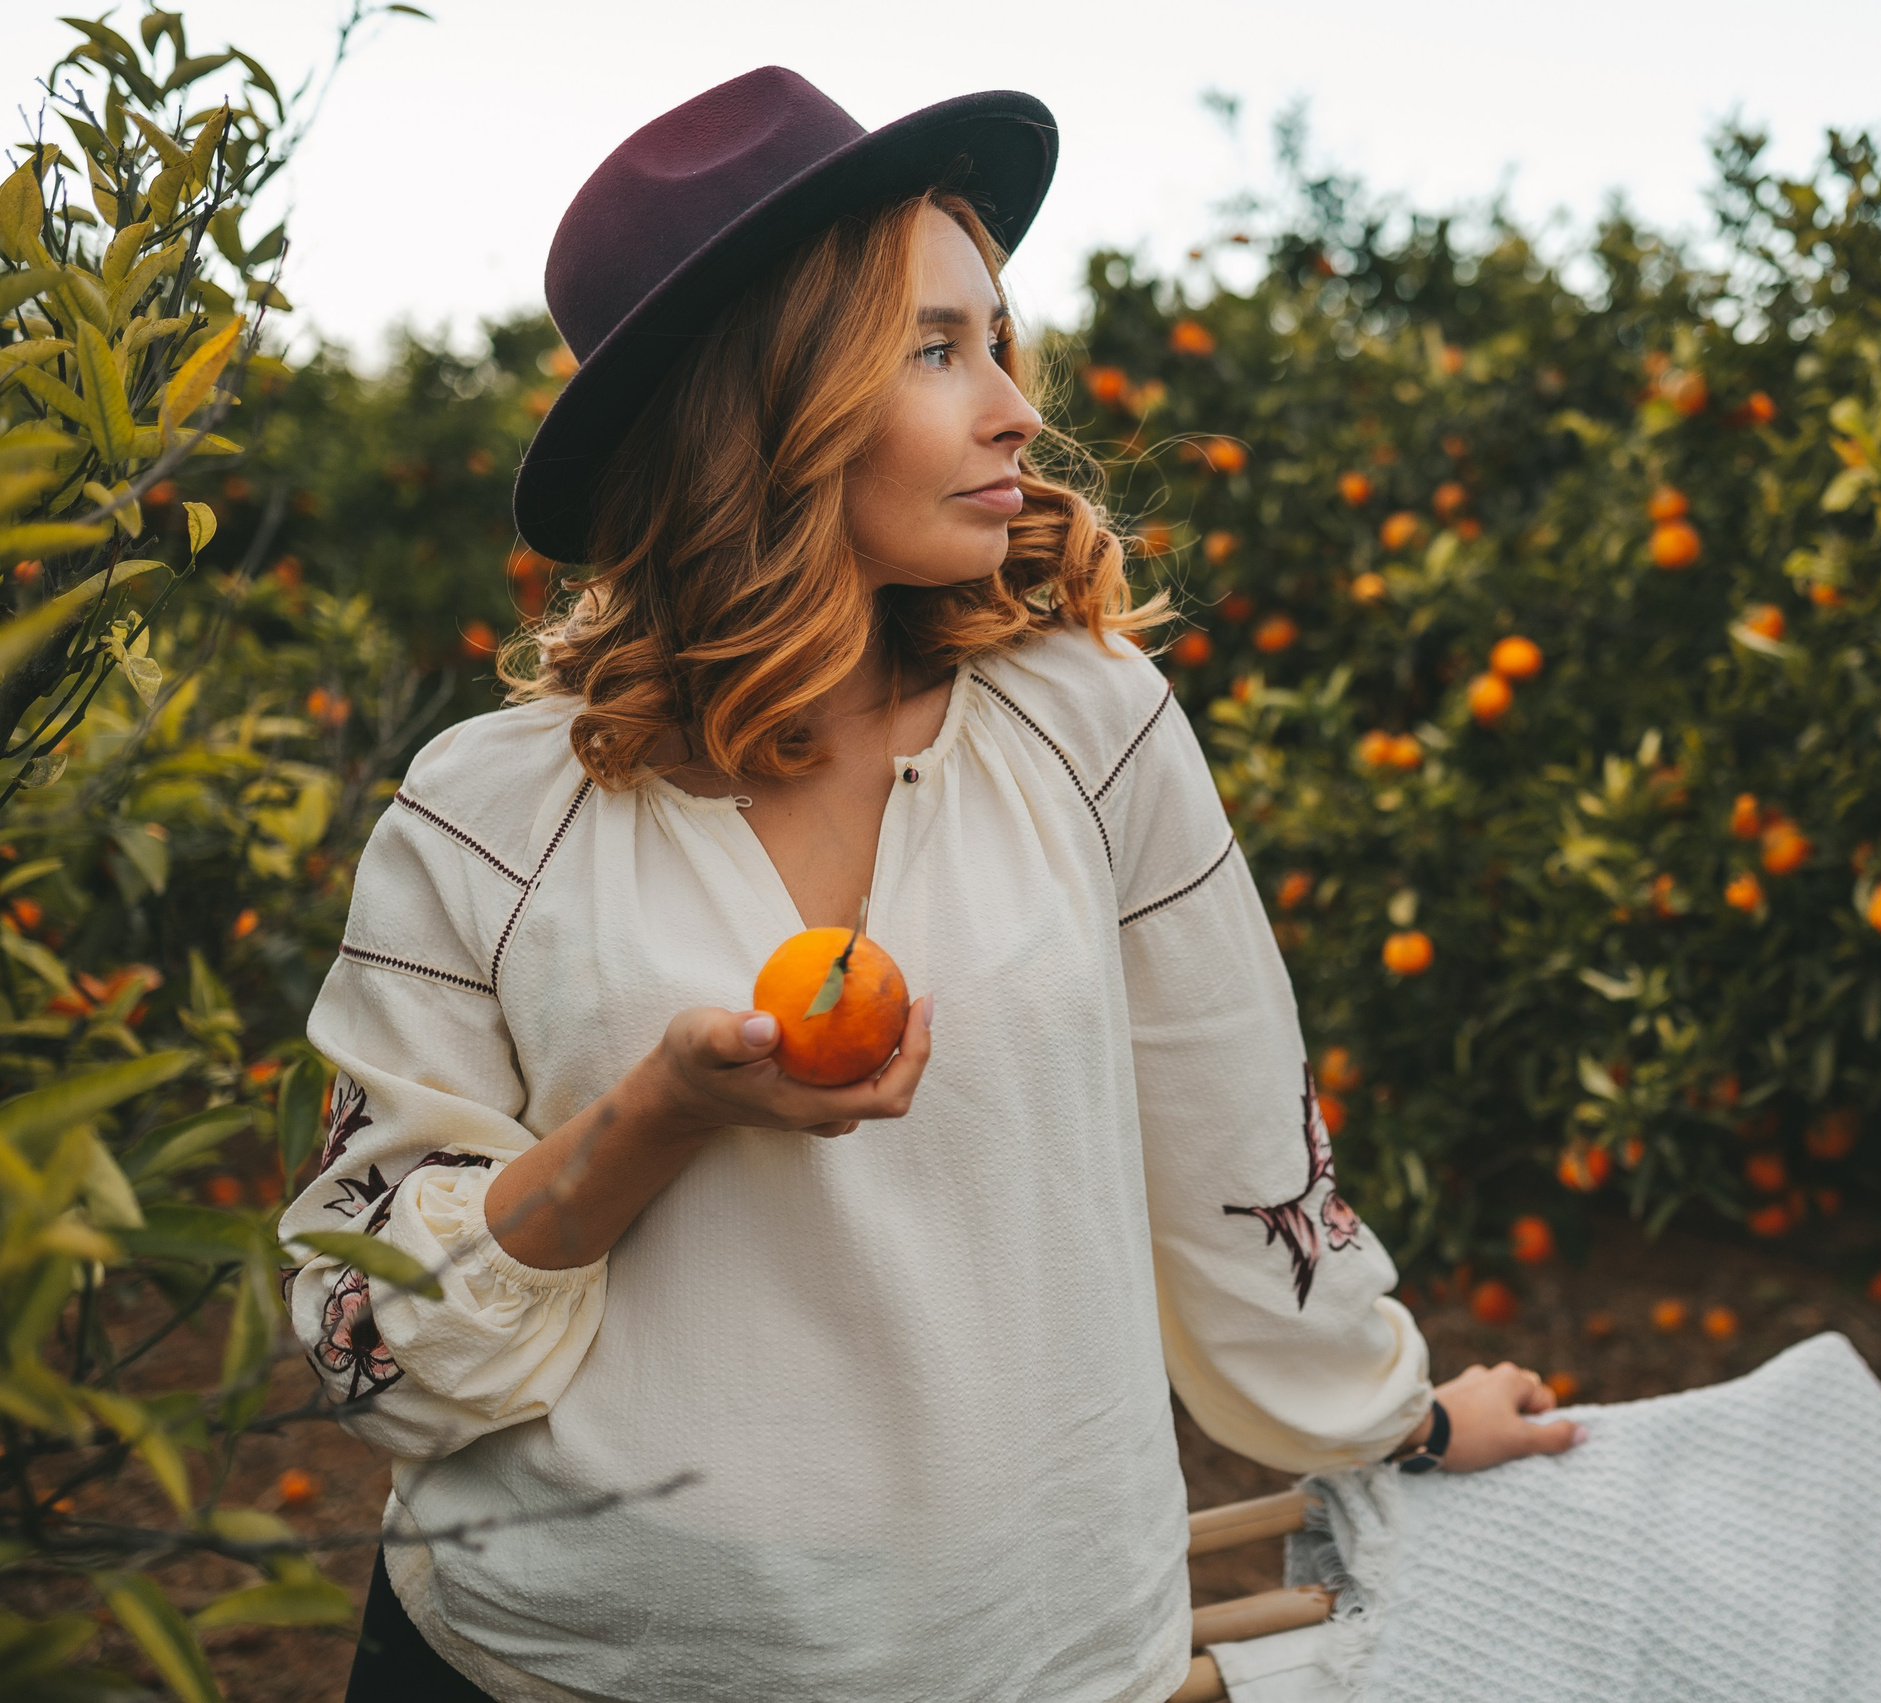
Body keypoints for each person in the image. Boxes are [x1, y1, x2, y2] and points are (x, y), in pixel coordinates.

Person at [284, 68, 1580, 1703]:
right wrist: (657, 1114)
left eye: (997, 341)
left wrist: (1394, 1420)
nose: (1016, 410)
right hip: (562, 1664)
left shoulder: (1087, 729)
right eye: (934, 349)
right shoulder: (486, 816)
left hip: (1020, 1662)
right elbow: (369, 1330)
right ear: (762, 406)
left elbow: (1237, 1155)